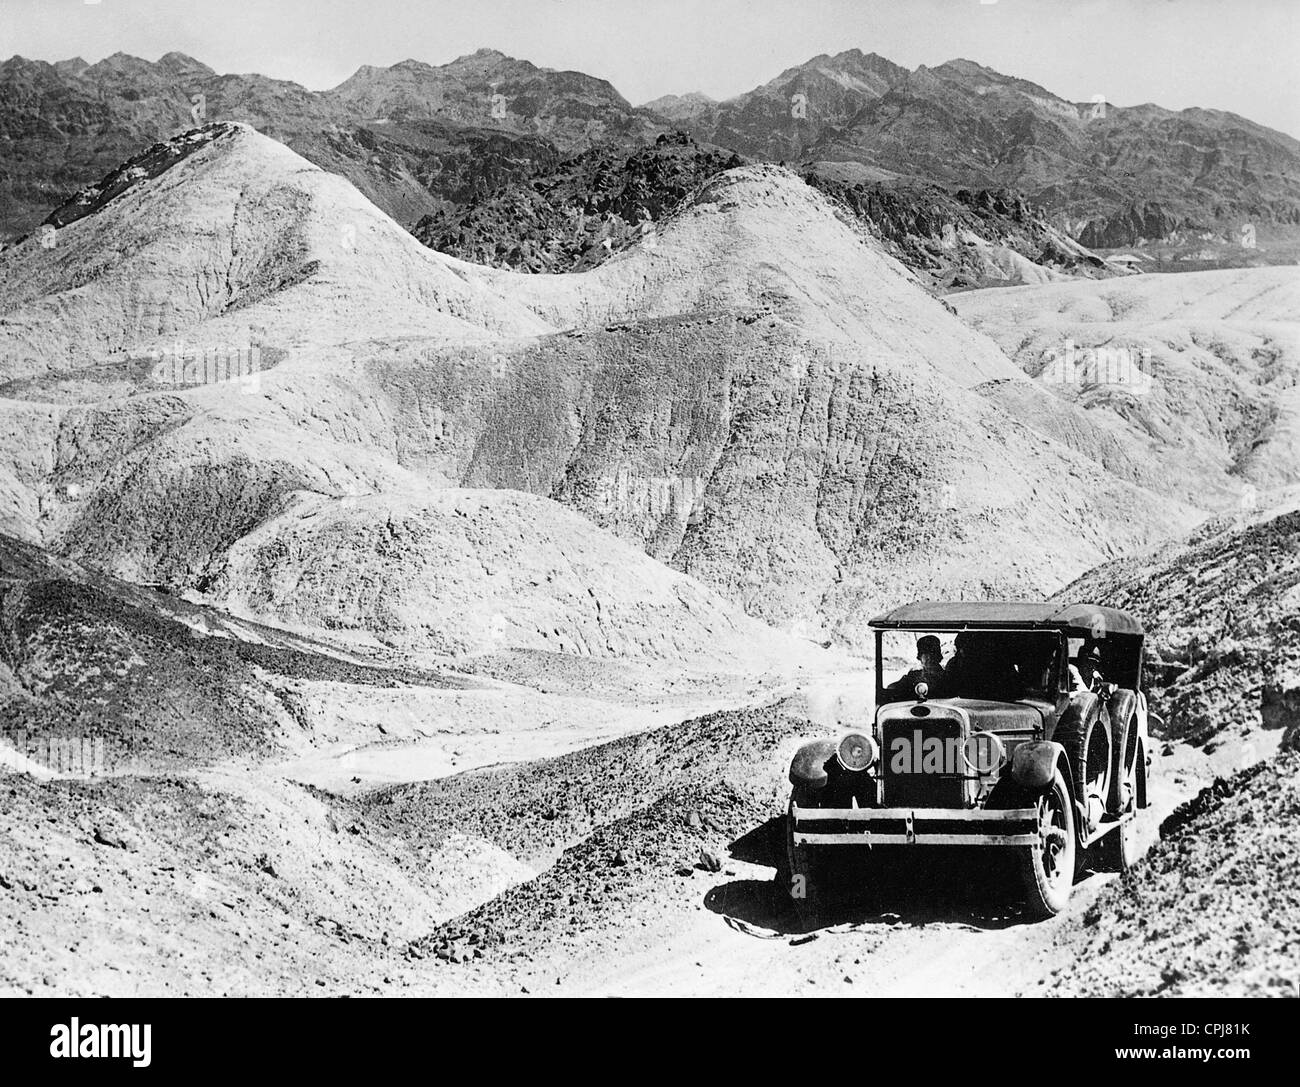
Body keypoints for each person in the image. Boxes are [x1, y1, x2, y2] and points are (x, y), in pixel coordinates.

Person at [881, 635, 946, 702]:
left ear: (938, 656)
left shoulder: (946, 677)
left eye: (932, 654)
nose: (929, 658)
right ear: (920, 658)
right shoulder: (914, 676)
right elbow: (892, 688)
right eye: (925, 654)